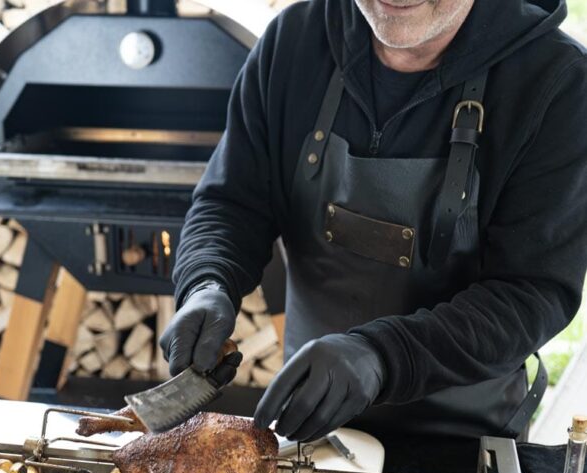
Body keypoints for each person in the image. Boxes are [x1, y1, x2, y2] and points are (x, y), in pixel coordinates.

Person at [160, 0, 587, 445]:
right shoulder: (293, 40)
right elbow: (231, 202)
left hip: (461, 445)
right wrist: (206, 282)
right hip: (310, 432)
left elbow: (530, 293)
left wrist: (382, 355)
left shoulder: (557, 80)